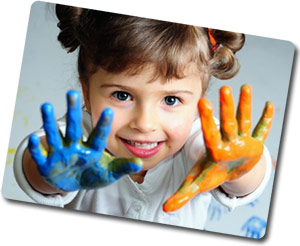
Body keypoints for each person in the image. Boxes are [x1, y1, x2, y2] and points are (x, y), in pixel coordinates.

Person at [13, 4, 273, 229]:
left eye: (171, 100)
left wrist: (239, 168)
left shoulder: (203, 145)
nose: (144, 124)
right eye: (122, 96)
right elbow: (35, 160)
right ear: (87, 91)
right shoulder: (77, 141)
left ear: (199, 100)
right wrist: (49, 171)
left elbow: (243, 177)